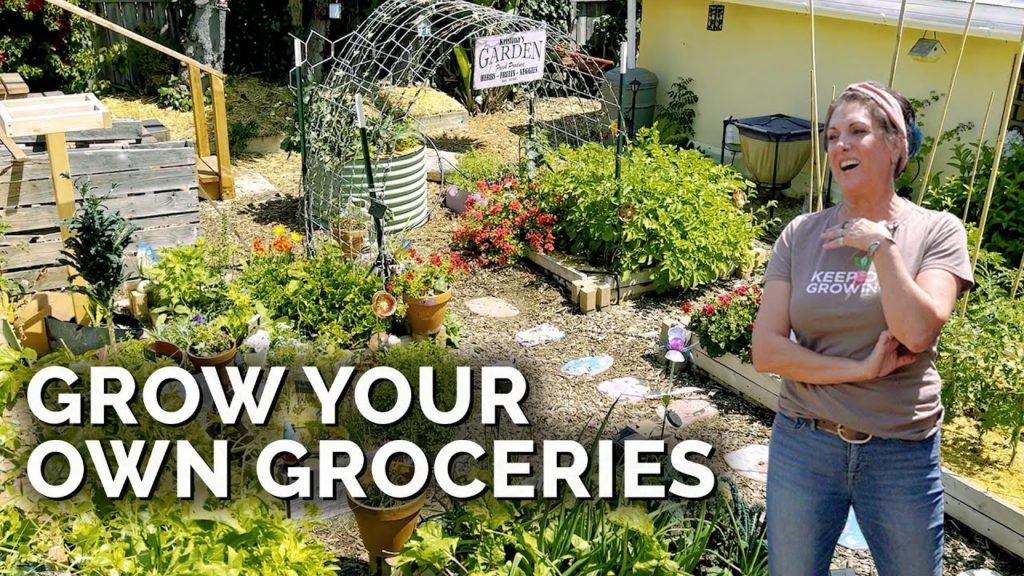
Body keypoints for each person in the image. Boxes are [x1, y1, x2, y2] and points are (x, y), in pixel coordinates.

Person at [751, 81, 974, 576]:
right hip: (804, 443)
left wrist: (881, 247)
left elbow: (917, 332)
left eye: (857, 131)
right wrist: (860, 369)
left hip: (900, 451)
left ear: (896, 145)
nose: (840, 146)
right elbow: (766, 352)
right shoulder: (801, 234)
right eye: (832, 136)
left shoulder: (936, 231)